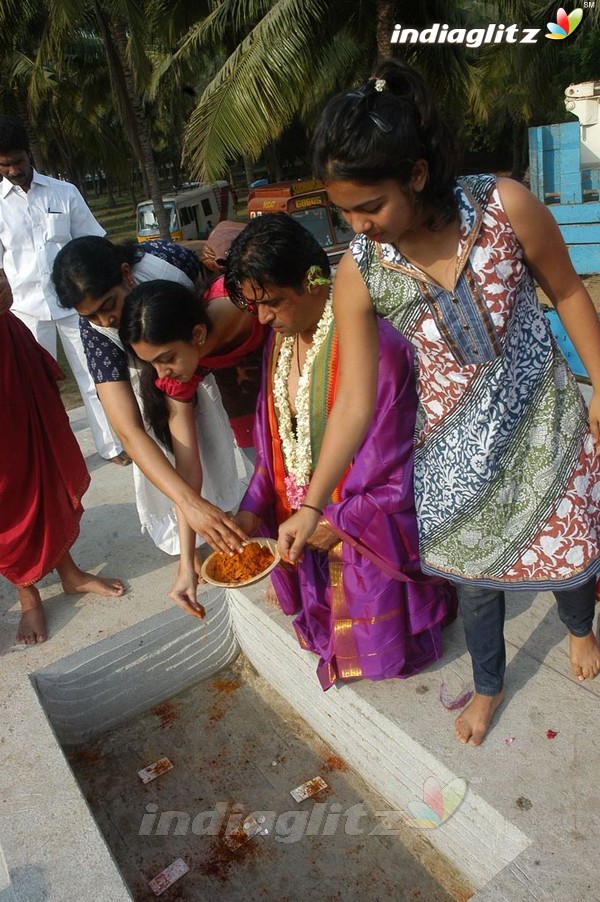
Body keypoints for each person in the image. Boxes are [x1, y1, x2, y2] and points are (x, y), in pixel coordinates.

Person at [278, 60, 600, 744]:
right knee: (478, 586)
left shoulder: (504, 206)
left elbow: (569, 291)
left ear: (417, 176)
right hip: (454, 459)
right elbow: (355, 403)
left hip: (546, 423)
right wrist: (312, 503)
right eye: (344, 212)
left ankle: (580, 627)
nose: (358, 225)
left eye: (370, 206)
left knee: (570, 552)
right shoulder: (360, 273)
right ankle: (489, 685)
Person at [221, 213, 453, 688]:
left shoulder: (376, 349)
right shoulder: (279, 341)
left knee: (380, 658)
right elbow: (278, 447)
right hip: (305, 524)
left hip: (361, 529)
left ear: (312, 279)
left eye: (272, 303)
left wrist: (336, 522)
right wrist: (250, 512)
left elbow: (395, 470)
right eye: (254, 305)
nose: (262, 318)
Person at [52, 236, 249, 574]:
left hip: (210, 358)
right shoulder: (105, 339)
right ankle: (193, 542)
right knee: (175, 448)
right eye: (91, 315)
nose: (105, 321)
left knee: (219, 440)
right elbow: (129, 431)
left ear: (127, 274)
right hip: (173, 373)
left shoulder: (170, 263)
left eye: (108, 305)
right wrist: (189, 505)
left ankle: (217, 514)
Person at [117, 279, 267, 612]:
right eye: (152, 363)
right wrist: (186, 564)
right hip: (249, 398)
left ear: (198, 335)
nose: (161, 373)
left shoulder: (256, 303)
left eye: (166, 358)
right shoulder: (177, 374)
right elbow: (187, 469)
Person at [0, 282, 124, 645]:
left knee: (39, 465)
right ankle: (28, 593)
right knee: (5, 485)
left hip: (5, 350)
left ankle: (69, 572)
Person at [0, 116, 127, 465]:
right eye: (4, 164)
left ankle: (112, 445)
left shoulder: (63, 192)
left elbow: (92, 240)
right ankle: (52, 455)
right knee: (37, 389)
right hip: (24, 311)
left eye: (18, 162)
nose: (13, 170)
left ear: (29, 154)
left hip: (73, 306)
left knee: (93, 376)